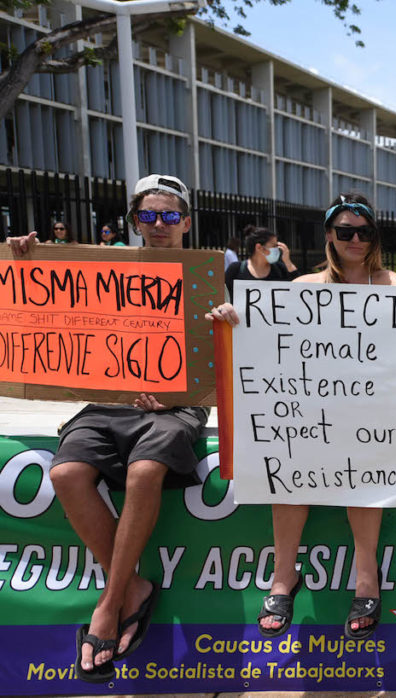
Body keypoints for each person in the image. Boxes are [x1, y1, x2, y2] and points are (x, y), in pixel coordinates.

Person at [209, 193, 396, 642]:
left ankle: (366, 576)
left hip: (367, 412)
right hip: (307, 409)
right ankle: (282, 576)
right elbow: (265, 336)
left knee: (366, 474)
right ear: (330, 236)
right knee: (288, 471)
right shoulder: (304, 288)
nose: (355, 239)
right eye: (346, 231)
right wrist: (233, 318)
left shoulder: (392, 284)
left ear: (374, 237)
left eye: (364, 232)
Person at [7, 174, 208, 682]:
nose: (158, 226)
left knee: (145, 472)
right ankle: (134, 588)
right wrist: (22, 258)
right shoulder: (107, 267)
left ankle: (111, 601)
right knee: (65, 474)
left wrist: (223, 322)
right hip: (108, 402)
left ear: (185, 222)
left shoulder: (209, 273)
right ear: (134, 221)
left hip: (173, 404)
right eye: (148, 216)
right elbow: (45, 304)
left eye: (169, 216)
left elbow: (218, 359)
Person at [224, 225, 301, 300]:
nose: (277, 250)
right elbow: (223, 296)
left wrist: (288, 262)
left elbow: (299, 288)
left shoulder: (280, 269)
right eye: (274, 246)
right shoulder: (235, 270)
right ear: (259, 247)